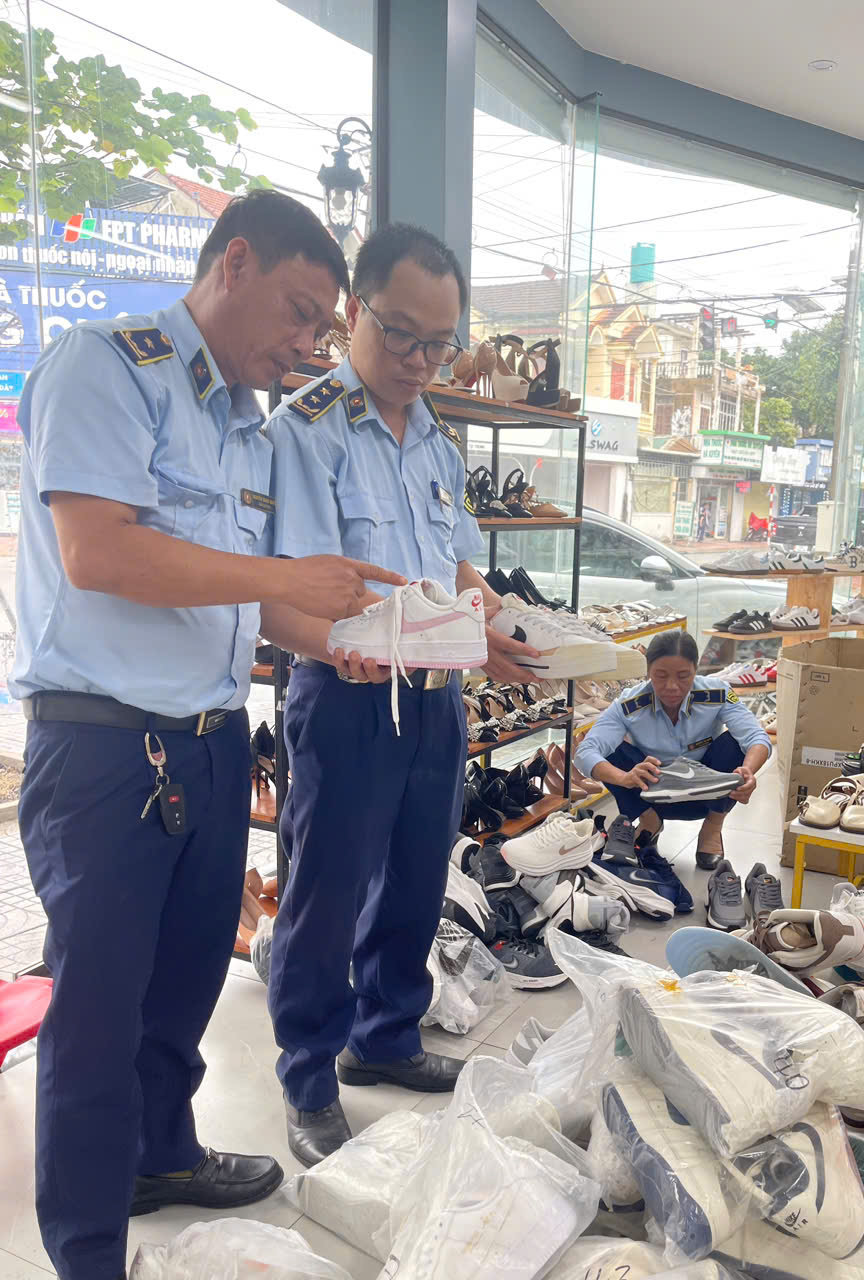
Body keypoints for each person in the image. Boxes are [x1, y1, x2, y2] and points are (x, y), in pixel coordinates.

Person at [12, 190, 404, 1280]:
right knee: (98, 1013)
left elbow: (246, 603)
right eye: (300, 313)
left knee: (184, 984)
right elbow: (99, 553)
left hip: (214, 741)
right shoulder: (107, 368)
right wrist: (289, 579)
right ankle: (88, 1248)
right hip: (108, 749)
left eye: (323, 327)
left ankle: (161, 1153)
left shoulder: (243, 424)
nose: (308, 343)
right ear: (234, 264)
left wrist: (343, 643)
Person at [259, 223, 542, 1166]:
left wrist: (499, 625)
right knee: (326, 892)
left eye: (440, 344)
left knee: (419, 875)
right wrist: (353, 645)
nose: (422, 361)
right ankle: (308, 1073)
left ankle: (383, 1036)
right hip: (347, 695)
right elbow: (294, 584)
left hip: (435, 692)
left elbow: (457, 565)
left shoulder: (436, 444)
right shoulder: (304, 431)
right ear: (355, 313)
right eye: (403, 335)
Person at [575, 630, 771, 869]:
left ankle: (713, 827)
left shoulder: (718, 693)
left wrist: (748, 772)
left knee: (734, 744)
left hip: (708, 795)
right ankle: (650, 821)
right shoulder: (628, 705)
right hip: (649, 794)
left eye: (683, 676)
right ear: (648, 671)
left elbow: (757, 737)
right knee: (611, 751)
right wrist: (625, 778)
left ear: (695, 670)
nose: (672, 686)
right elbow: (586, 751)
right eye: (660, 676)